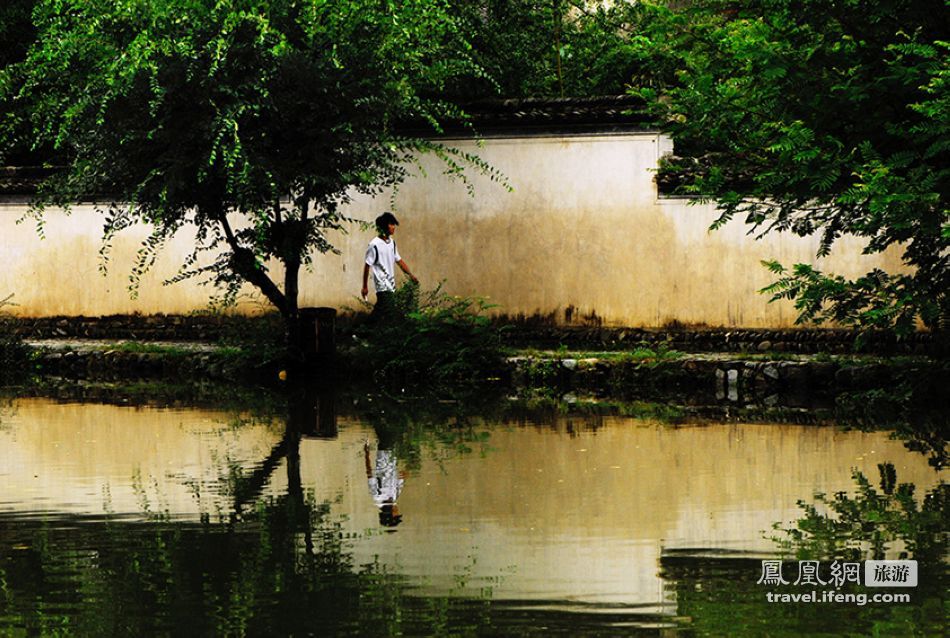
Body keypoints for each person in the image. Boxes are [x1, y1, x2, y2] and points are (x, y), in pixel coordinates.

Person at [361, 212, 418, 319]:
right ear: (383, 226)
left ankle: (361, 332)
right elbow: (367, 265)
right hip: (382, 287)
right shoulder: (374, 245)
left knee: (381, 314)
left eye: (393, 224)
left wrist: (410, 275)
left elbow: (399, 261)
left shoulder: (392, 243)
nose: (393, 227)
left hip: (391, 286)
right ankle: (361, 332)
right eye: (391, 224)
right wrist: (365, 286)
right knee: (390, 313)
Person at [364, 438, 405, 527]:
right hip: (393, 456)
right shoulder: (395, 496)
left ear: (390, 513)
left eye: (396, 514)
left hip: (383, 454)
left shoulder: (377, 496)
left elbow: (369, 473)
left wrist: (366, 454)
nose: (397, 511)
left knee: (386, 436)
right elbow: (402, 477)